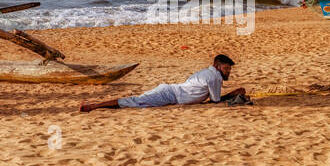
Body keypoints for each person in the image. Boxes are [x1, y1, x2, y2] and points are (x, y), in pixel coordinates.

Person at [80, 54, 247, 111]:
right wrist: (232, 94)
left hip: (171, 91)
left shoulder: (208, 72)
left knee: (135, 100)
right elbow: (215, 101)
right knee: (135, 102)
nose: (228, 72)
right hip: (171, 94)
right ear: (217, 66)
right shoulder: (215, 77)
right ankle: (93, 106)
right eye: (226, 68)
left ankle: (93, 105)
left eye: (229, 69)